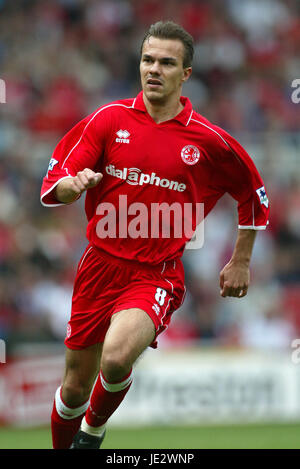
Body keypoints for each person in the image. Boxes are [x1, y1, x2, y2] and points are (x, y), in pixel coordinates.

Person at [40, 21, 269, 449]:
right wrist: (69, 187)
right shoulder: (109, 120)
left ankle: (92, 432)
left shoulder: (210, 141)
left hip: (155, 273)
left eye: (167, 62)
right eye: (148, 60)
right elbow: (62, 174)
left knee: (116, 357)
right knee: (72, 388)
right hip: (98, 265)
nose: (154, 69)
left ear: (185, 75)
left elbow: (254, 196)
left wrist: (240, 259)